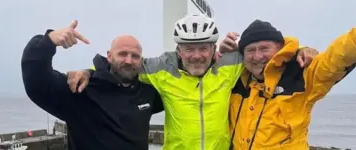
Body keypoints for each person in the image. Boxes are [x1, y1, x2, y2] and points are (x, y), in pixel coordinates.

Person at [66, 14, 318, 150]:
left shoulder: (231, 64)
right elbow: (122, 67)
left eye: (203, 48)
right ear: (179, 50)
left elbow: (266, 52)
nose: (196, 55)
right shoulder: (160, 67)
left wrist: (300, 50)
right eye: (189, 49)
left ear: (213, 49)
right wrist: (88, 71)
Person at [218, 0, 356, 150]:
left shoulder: (301, 76)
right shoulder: (234, 82)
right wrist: (222, 54)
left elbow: (336, 59)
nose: (257, 56)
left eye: (264, 48)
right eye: (250, 50)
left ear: (280, 48)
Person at [21, 20, 164, 150]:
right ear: (109, 56)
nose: (129, 60)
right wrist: (48, 41)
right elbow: (36, 82)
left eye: (135, 56)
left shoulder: (147, 93)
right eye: (122, 54)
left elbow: (181, 94)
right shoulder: (82, 89)